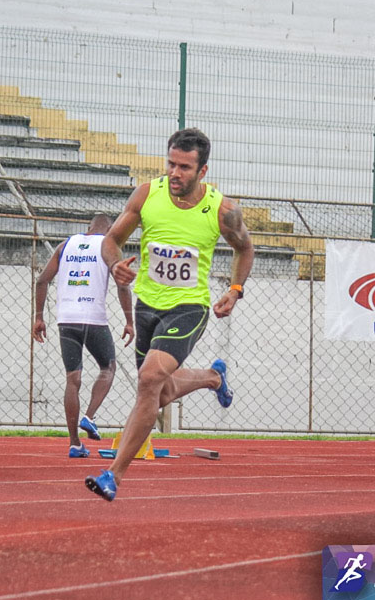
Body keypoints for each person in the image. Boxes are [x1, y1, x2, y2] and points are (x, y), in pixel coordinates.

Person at [84, 128, 254, 501]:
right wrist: (115, 267)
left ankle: (114, 475)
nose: (174, 173)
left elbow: (245, 249)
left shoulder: (223, 210)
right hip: (147, 306)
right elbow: (111, 241)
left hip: (188, 307)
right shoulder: (147, 195)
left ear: (202, 171)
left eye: (184, 167)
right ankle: (212, 377)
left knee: (148, 378)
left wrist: (235, 291)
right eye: (171, 164)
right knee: (158, 392)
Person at [33, 213, 134, 458]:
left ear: (88, 227)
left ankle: (74, 443)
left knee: (73, 380)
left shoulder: (65, 245)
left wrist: (38, 317)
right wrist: (130, 320)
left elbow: (42, 280)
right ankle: (89, 417)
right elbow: (122, 285)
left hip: (66, 319)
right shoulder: (108, 246)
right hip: (93, 318)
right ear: (111, 229)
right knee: (108, 367)